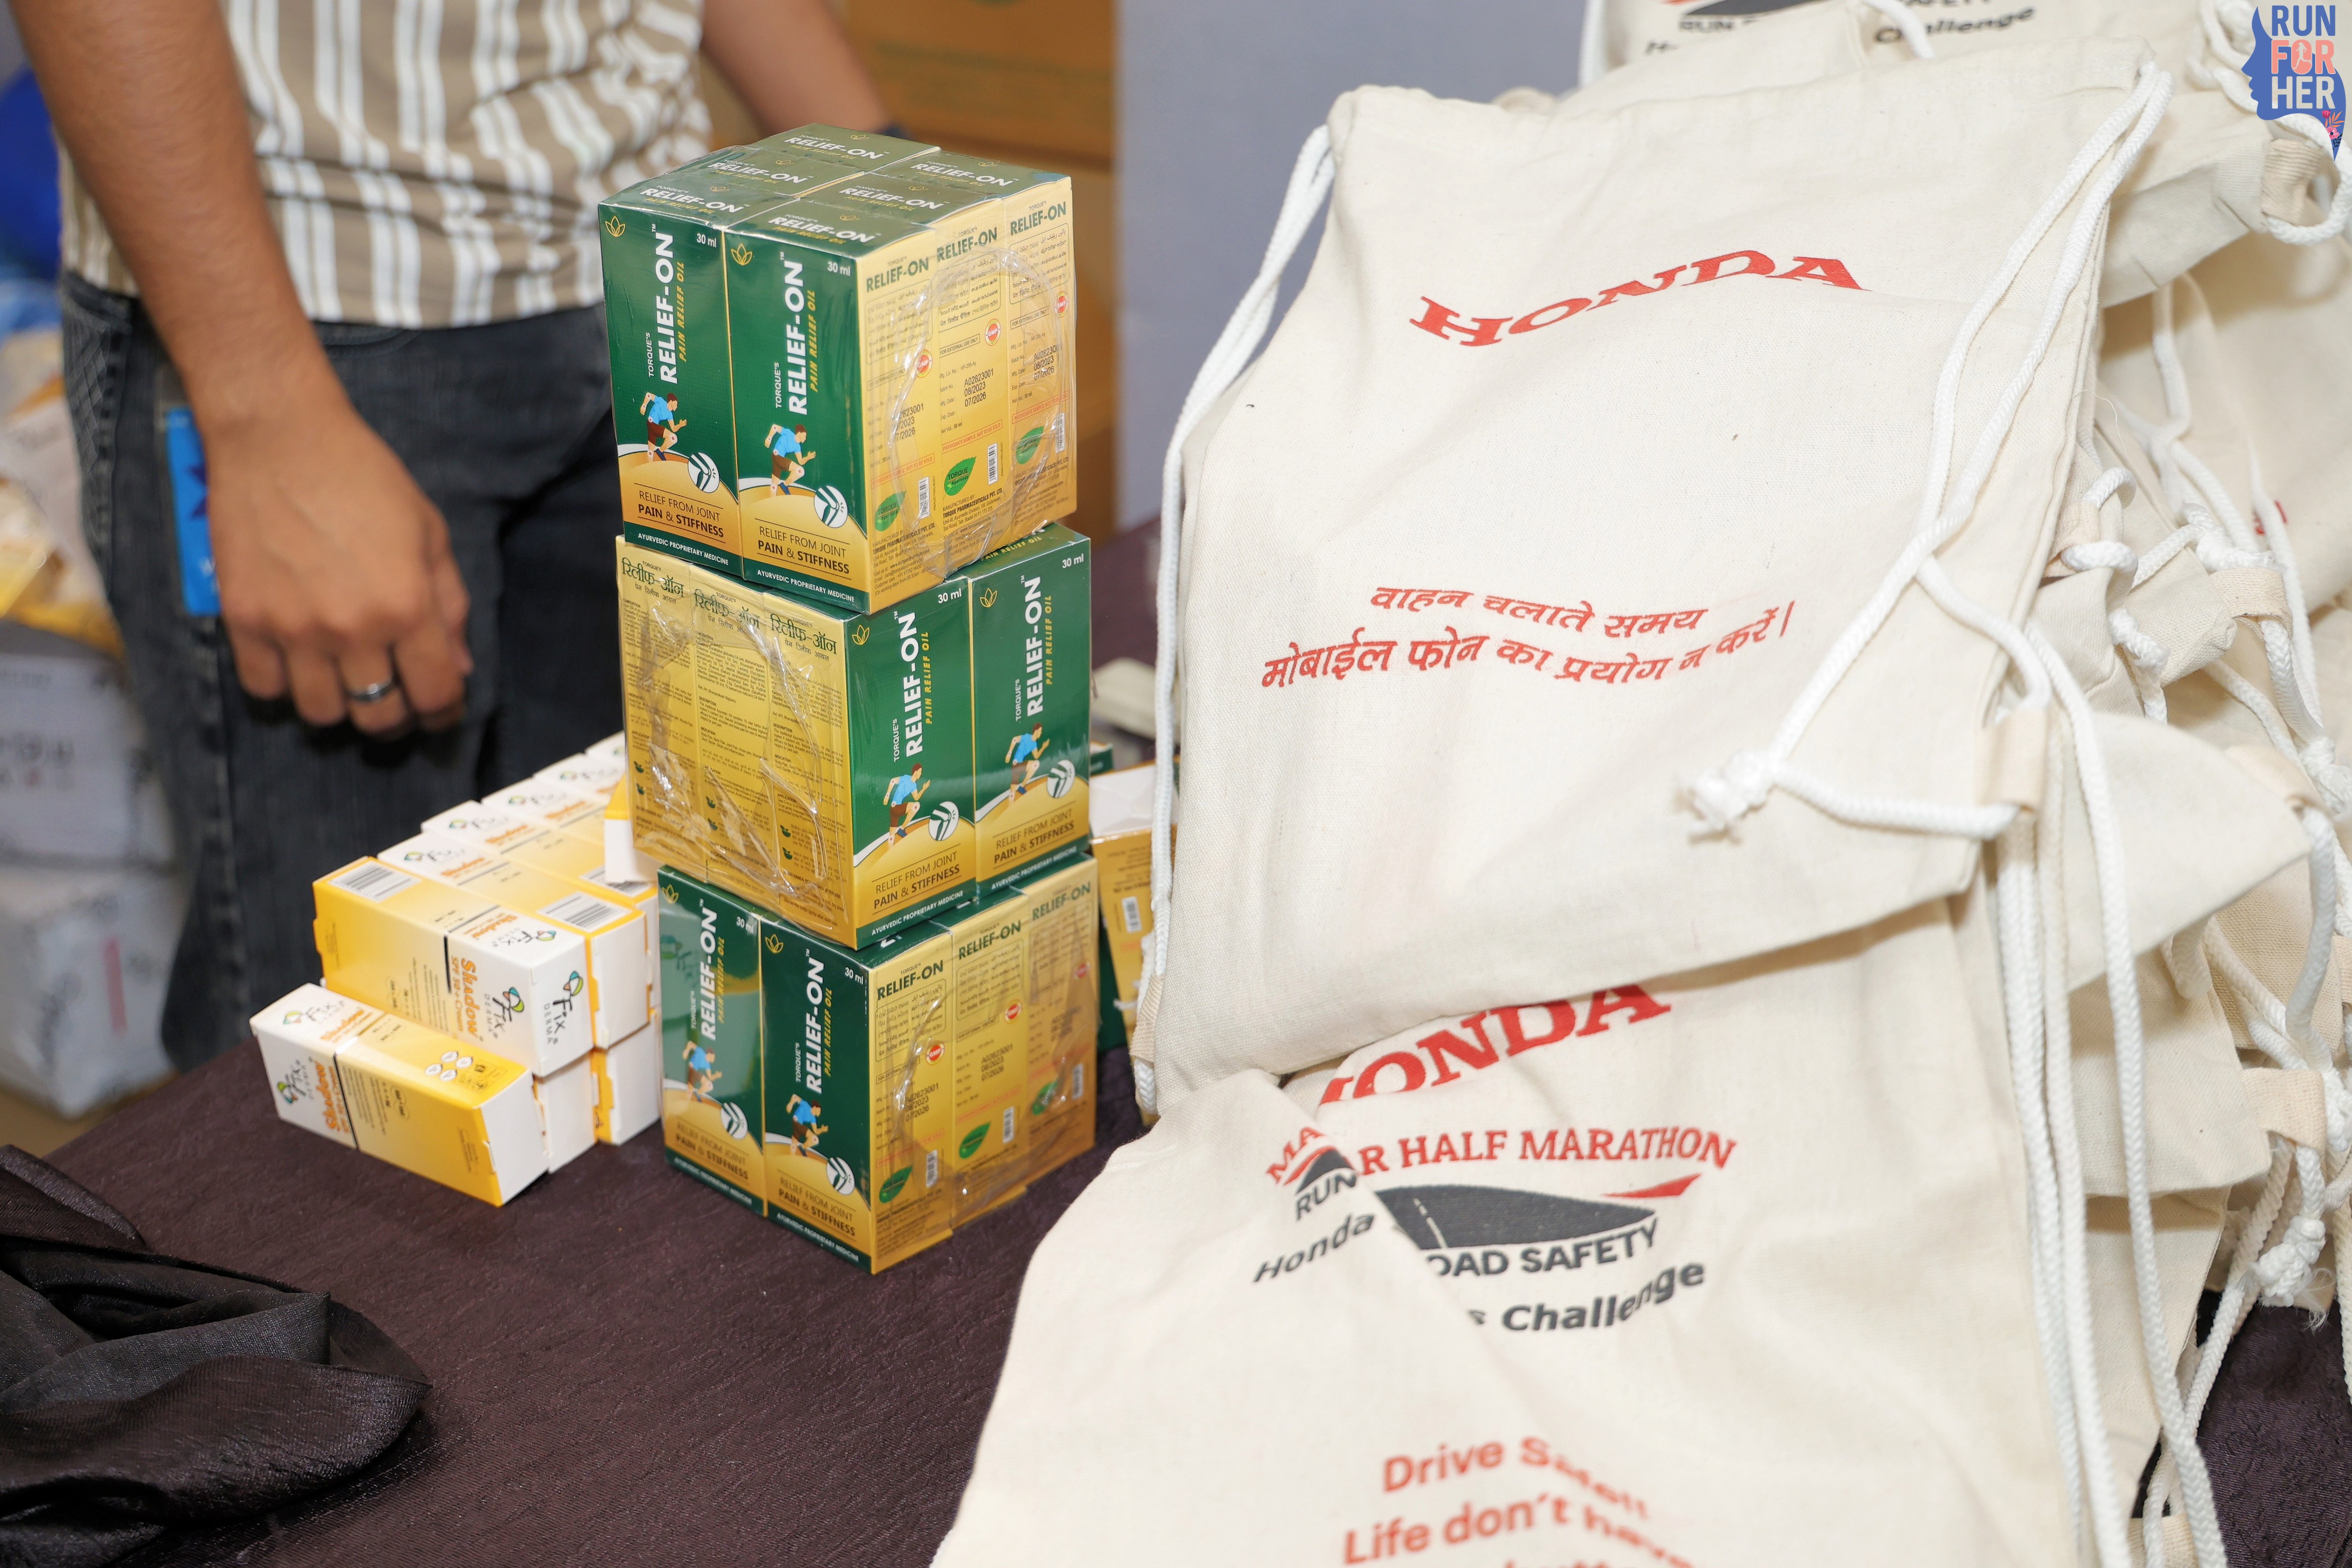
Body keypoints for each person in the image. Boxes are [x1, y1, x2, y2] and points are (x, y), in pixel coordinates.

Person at [17, 0, 892, 1070]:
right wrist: (262, 408)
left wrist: (879, 196)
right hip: (310, 303)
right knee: (339, 1058)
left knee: (622, 1005)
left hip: (649, 277)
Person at [885, 765, 928, 840]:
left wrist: (923, 789)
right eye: (920, 771)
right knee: (916, 805)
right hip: (895, 807)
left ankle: (900, 833)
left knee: (891, 837)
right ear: (915, 772)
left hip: (896, 809)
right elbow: (893, 781)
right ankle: (902, 829)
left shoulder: (914, 785)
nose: (921, 774)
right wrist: (887, 795)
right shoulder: (906, 778)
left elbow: (916, 797)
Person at [1006, 724, 1050, 795]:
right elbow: (1015, 739)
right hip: (1016, 763)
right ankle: (1019, 789)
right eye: (1040, 731)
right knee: (1012, 794)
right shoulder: (1027, 737)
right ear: (1036, 731)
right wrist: (1009, 753)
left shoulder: (1034, 744)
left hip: (1020, 765)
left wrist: (1043, 748)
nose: (1041, 733)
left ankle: (1022, 787)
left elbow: (1036, 756)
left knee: (1035, 764)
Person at [767, 423, 811, 491]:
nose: (805, 438)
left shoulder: (798, 447)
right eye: (804, 436)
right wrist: (769, 438)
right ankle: (785, 485)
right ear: (799, 433)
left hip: (778, 459)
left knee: (774, 486)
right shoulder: (789, 433)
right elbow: (775, 427)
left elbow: (801, 461)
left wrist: (808, 458)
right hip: (777, 456)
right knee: (800, 471)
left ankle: (780, 490)